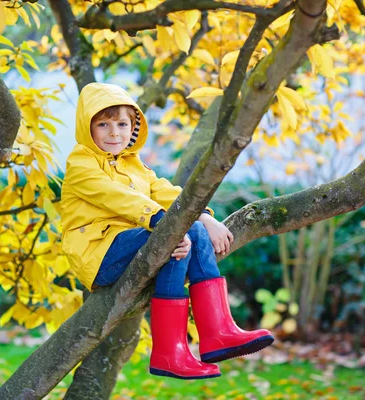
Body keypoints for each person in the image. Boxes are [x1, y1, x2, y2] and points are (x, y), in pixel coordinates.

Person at [61, 83, 274, 380]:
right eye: (103, 124)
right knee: (175, 232)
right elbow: (116, 196)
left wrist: (205, 218)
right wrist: (164, 225)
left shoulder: (135, 166)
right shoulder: (80, 163)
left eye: (122, 124)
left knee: (195, 231)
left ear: (133, 128)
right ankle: (168, 352)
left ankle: (216, 333)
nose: (114, 133)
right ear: (88, 127)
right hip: (99, 253)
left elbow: (169, 194)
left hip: (133, 243)